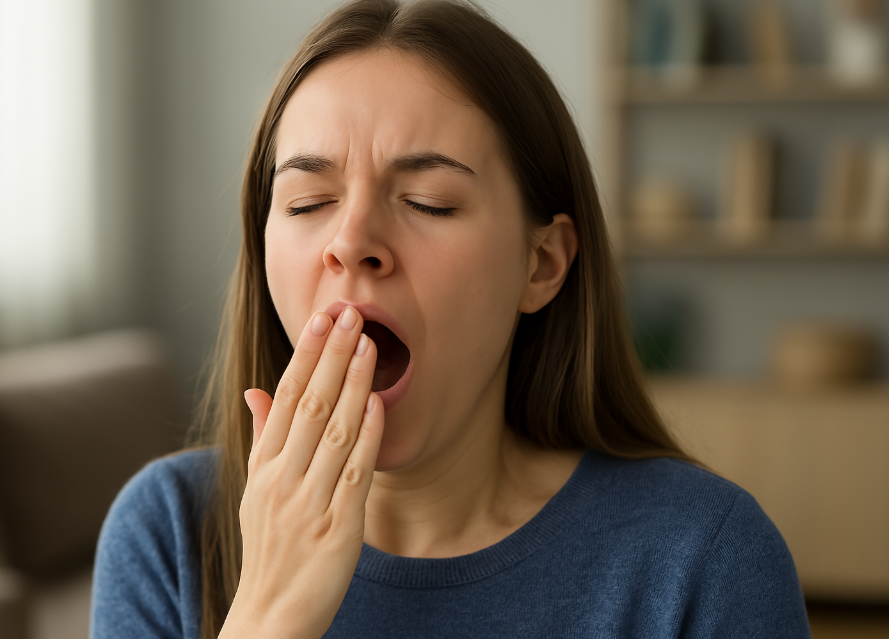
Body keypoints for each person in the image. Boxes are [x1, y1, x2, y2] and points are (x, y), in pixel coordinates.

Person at [91, 1, 812, 637]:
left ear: (542, 265)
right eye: (307, 202)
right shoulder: (168, 533)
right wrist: (269, 616)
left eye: (428, 201)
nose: (350, 243)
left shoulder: (705, 556)